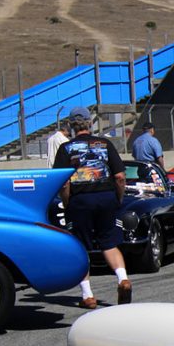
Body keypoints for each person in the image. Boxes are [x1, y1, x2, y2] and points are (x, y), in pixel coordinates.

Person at [53, 106, 131, 309]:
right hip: (106, 197)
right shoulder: (105, 144)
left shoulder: (66, 149)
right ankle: (122, 278)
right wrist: (118, 198)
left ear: (70, 125)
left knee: (80, 247)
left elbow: (63, 182)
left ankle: (88, 295)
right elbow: (120, 177)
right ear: (90, 123)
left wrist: (67, 202)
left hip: (80, 200)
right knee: (110, 243)